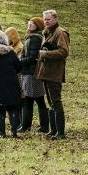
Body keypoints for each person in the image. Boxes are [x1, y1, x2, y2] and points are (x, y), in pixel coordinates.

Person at [36, 8, 70, 139]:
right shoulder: (48, 32)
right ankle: (53, 130)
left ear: (55, 19)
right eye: (44, 19)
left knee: (56, 101)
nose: (46, 21)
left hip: (54, 72)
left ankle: (60, 132)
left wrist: (46, 54)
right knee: (50, 101)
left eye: (48, 19)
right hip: (46, 72)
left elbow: (64, 52)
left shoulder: (60, 33)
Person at [17, 16, 46, 132]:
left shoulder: (35, 38)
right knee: (37, 99)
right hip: (31, 72)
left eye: (32, 24)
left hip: (31, 72)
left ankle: (26, 126)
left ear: (38, 26)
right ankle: (40, 126)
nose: (29, 25)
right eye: (29, 23)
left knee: (30, 99)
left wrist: (19, 61)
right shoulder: (31, 37)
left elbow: (32, 57)